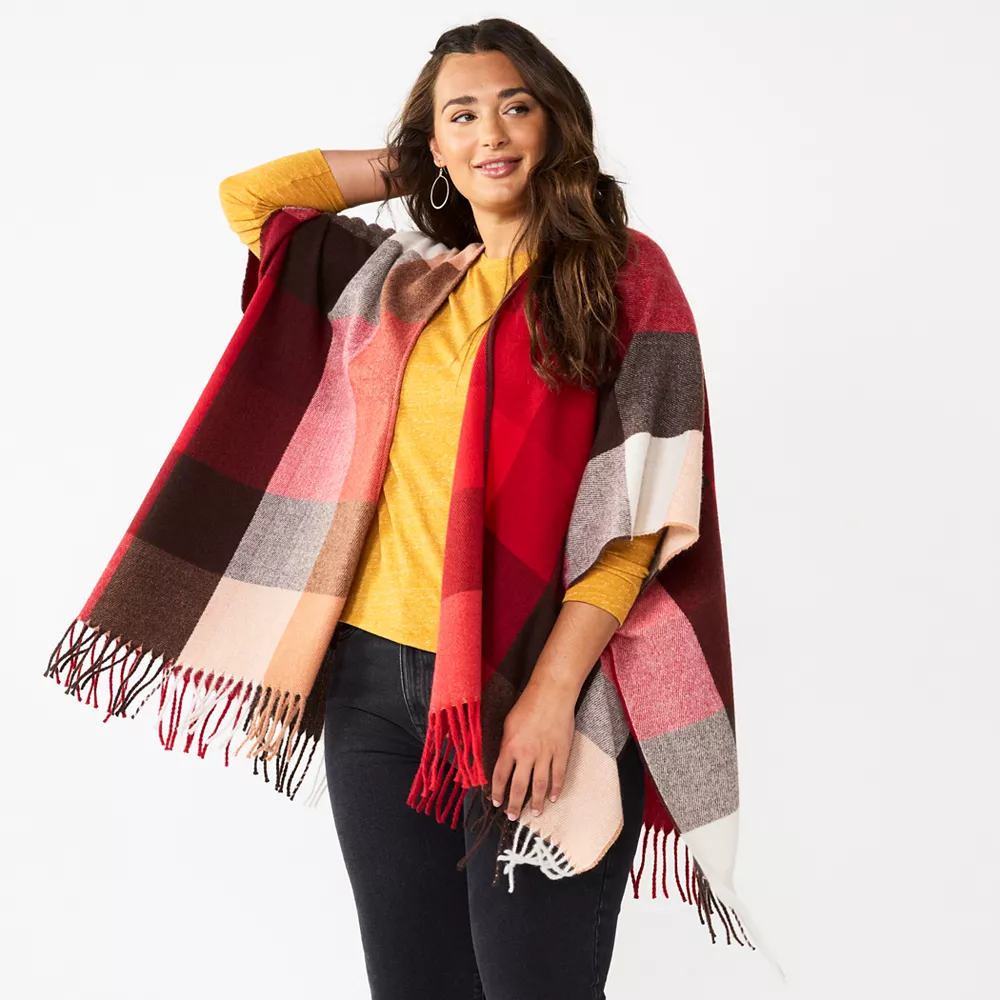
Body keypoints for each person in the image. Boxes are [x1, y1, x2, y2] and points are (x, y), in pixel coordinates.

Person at [218, 18, 667, 1000]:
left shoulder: (621, 276)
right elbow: (250, 197)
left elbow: (638, 526)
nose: (492, 132)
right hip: (372, 685)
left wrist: (550, 697)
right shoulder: (406, 280)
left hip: (532, 677)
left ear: (555, 122)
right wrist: (428, 160)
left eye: (515, 107)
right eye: (462, 115)